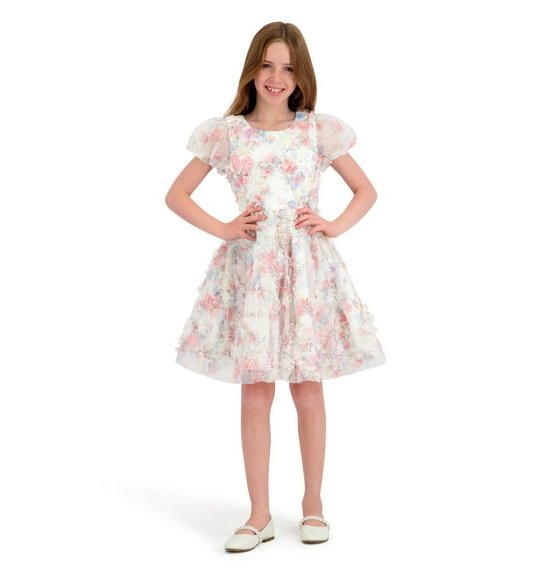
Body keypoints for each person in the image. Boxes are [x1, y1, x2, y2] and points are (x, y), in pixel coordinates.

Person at [165, 21, 386, 552]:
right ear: (252, 69)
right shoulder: (228, 134)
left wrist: (333, 225)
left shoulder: (316, 131)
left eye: (287, 68)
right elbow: (177, 194)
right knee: (256, 391)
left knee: (307, 388)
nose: (276, 77)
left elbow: (365, 190)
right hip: (253, 274)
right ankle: (259, 514)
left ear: (300, 75)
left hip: (306, 270)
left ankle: (313, 506)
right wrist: (224, 228)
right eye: (267, 65)